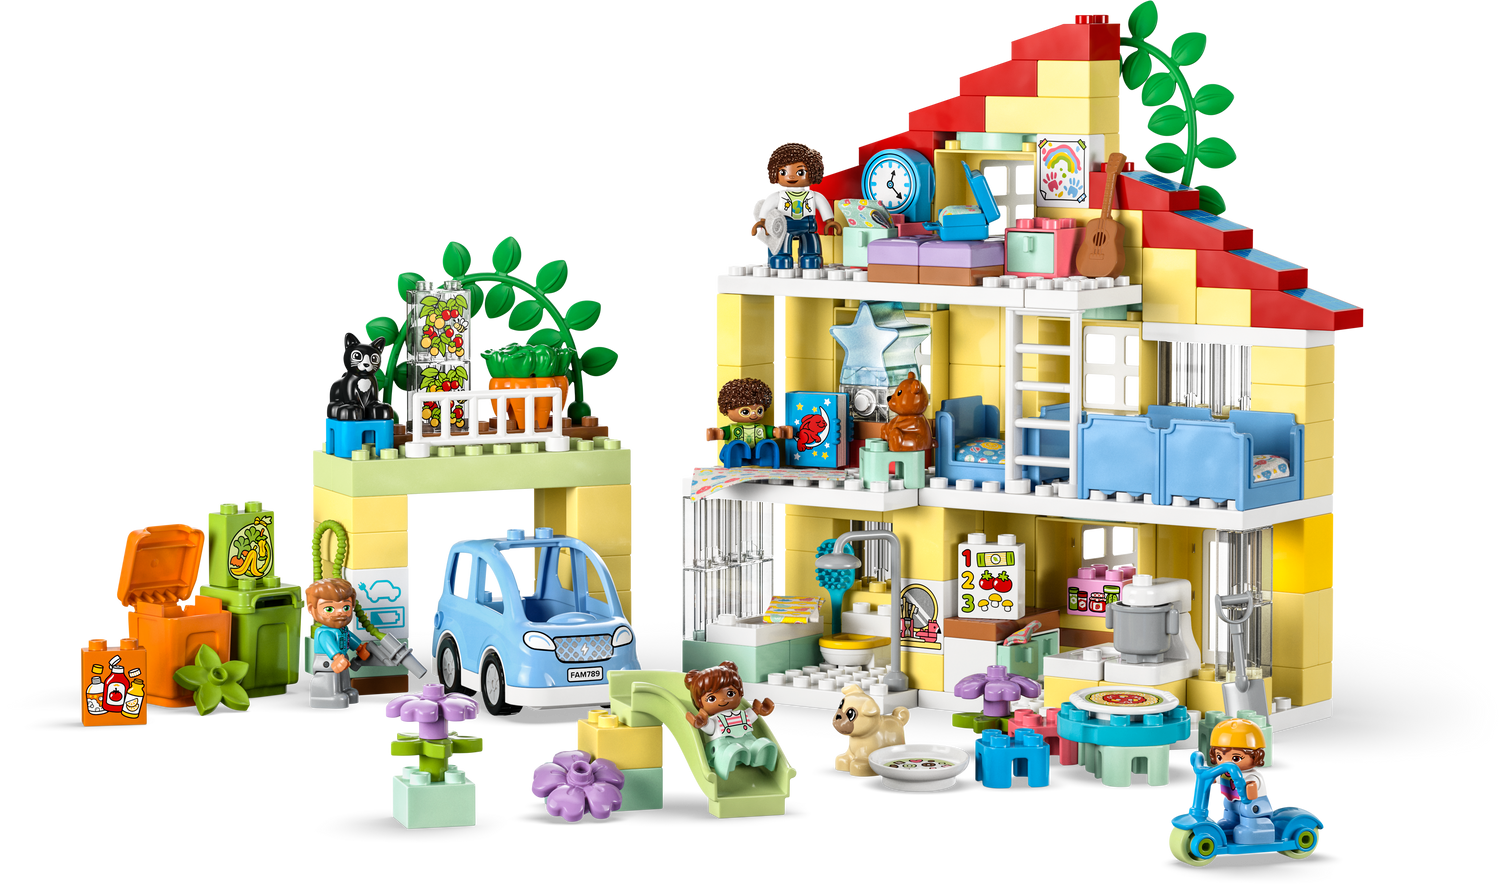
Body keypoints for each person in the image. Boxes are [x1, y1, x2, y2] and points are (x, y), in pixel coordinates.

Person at [749, 139, 841, 269]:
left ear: (812, 172)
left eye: (800, 172)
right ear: (775, 174)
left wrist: (829, 221)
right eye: (784, 172)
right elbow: (767, 207)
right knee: (782, 246)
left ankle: (811, 259)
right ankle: (781, 258)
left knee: (811, 248)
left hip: (808, 225)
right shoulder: (777, 195)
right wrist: (762, 221)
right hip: (785, 225)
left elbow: (823, 205)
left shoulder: (813, 195)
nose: (791, 177)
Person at [684, 661, 778, 780]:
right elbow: (710, 728)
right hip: (722, 745)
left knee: (759, 744)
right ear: (699, 703)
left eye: (730, 693)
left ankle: (759, 755)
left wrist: (758, 709)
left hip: (747, 738)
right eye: (712, 698)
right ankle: (729, 759)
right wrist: (701, 723)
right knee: (731, 750)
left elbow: (750, 717)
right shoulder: (714, 720)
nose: (723, 700)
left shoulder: (741, 714)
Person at [305, 578, 366, 709]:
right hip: (327, 662)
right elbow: (328, 644)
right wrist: (337, 657)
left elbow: (349, 638)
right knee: (330, 677)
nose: (340, 612)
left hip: (341, 659)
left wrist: (360, 648)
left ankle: (344, 689)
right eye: (329, 608)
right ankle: (330, 695)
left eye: (346, 607)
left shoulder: (342, 629)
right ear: (310, 610)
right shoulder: (323, 632)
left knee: (343, 676)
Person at [704, 378, 790, 467]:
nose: (754, 414)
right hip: (737, 451)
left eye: (759, 410)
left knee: (765, 444)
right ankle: (736, 460)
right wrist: (716, 433)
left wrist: (777, 431)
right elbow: (723, 433)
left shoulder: (761, 428)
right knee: (735, 446)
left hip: (757, 452)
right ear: (727, 410)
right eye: (745, 412)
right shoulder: (732, 429)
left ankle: (765, 461)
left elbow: (771, 431)